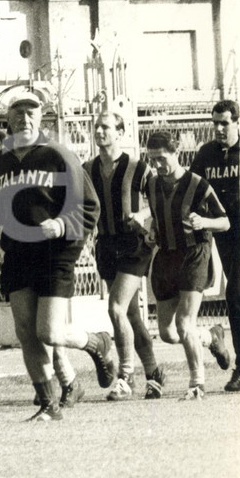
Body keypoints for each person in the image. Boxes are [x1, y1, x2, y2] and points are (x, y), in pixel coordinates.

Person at [0, 90, 114, 422]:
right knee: (25, 331)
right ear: (7, 119)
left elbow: (90, 207)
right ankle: (49, 403)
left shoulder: (59, 154)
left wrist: (63, 224)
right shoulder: (2, 160)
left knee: (48, 332)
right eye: (18, 112)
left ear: (41, 116)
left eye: (31, 111)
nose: (25, 117)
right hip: (18, 251)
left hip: (55, 251)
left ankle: (97, 343)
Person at [134, 130, 231, 399]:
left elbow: (225, 221)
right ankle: (211, 337)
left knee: (185, 323)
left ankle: (197, 384)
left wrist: (205, 222)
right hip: (166, 257)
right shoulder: (152, 184)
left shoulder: (199, 185)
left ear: (176, 153)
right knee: (167, 332)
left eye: (162, 158)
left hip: (193, 254)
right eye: (152, 159)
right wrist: (152, 231)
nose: (157, 165)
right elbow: (156, 215)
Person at [84, 112, 165, 400]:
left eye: (106, 127)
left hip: (134, 245)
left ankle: (125, 376)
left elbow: (159, 201)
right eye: (97, 126)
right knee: (130, 314)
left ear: (120, 131)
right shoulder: (87, 168)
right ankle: (154, 374)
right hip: (106, 245)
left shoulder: (137, 167)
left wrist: (140, 215)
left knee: (116, 308)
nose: (99, 131)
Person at [190, 100, 240, 392]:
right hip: (222, 232)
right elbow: (192, 188)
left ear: (236, 121)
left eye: (225, 123)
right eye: (215, 123)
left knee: (235, 294)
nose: (219, 128)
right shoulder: (206, 154)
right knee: (235, 295)